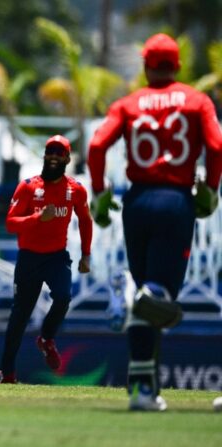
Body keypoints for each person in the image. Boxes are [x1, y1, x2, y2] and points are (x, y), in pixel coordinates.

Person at [87, 33, 222, 411]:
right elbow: (216, 147)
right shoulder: (196, 101)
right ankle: (135, 294)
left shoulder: (129, 103)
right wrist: (210, 189)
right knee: (158, 298)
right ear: (177, 65)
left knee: (147, 305)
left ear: (146, 65)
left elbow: (97, 145)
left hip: (137, 200)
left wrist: (99, 195)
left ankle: (143, 391)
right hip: (175, 202)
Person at [0, 135, 92, 384]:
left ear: (67, 158)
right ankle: (7, 373)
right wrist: (37, 218)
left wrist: (86, 254)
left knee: (63, 297)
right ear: (44, 155)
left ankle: (46, 339)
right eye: (50, 151)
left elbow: (85, 220)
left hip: (56, 257)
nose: (53, 156)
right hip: (29, 258)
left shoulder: (76, 190)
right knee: (20, 317)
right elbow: (10, 223)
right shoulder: (28, 186)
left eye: (59, 153)